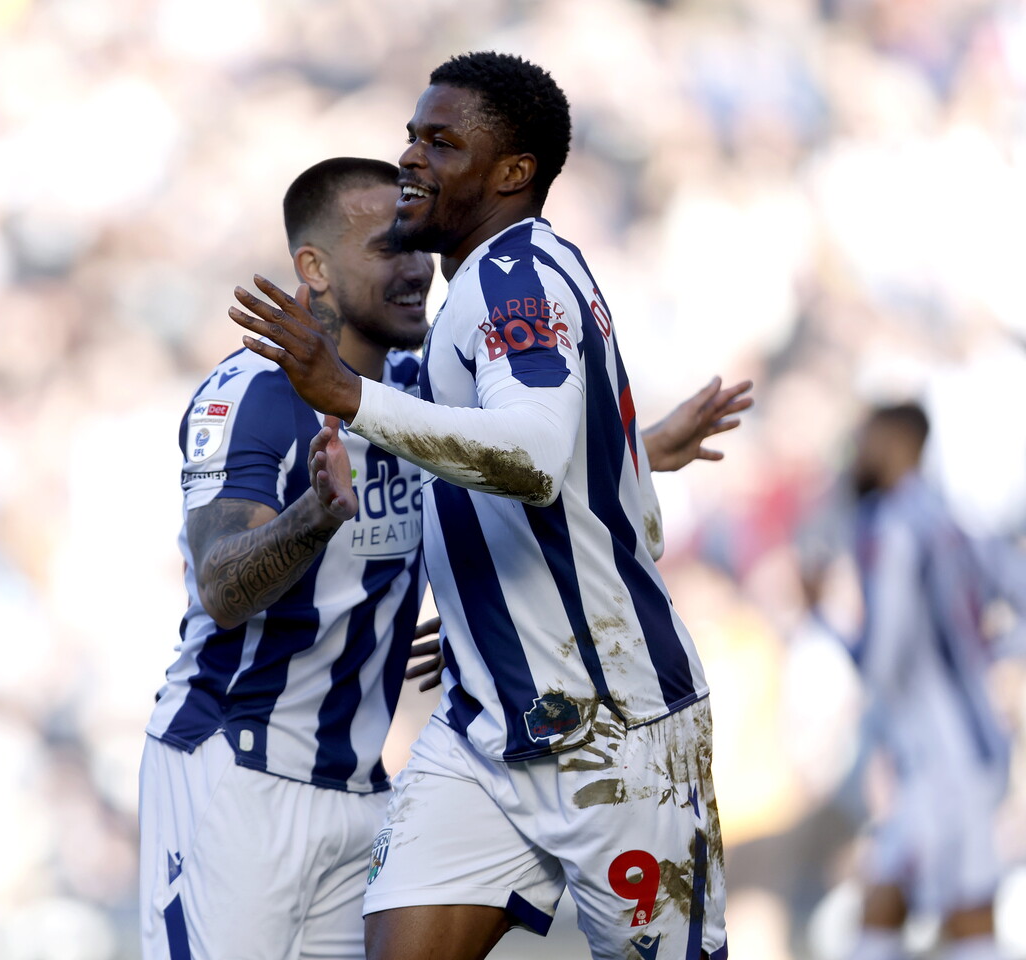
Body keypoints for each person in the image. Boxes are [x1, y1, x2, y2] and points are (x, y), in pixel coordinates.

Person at [229, 53, 731, 960]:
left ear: (512, 174)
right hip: (484, 727)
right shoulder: (484, 290)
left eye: (441, 141)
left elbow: (533, 458)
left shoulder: (517, 281)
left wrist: (346, 393)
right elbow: (557, 459)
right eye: (412, 135)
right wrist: (484, 605)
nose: (412, 158)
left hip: (610, 730)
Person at [819, 403, 1012, 960]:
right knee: (886, 897)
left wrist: (826, 625)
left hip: (940, 753)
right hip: (965, 741)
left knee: (964, 911)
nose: (859, 453)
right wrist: (989, 654)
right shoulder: (955, 517)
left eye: (868, 440)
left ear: (901, 444)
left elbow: (882, 657)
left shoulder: (893, 523)